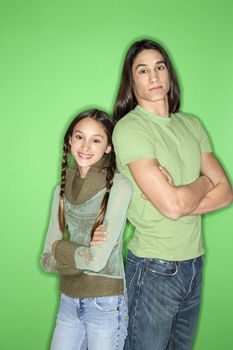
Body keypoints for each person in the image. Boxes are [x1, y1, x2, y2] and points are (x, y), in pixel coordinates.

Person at [111, 39, 233, 350]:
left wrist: (180, 197)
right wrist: (204, 183)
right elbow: (174, 204)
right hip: (154, 268)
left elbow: (226, 193)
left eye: (159, 67)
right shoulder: (130, 129)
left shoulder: (191, 125)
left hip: (193, 264)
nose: (153, 76)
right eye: (143, 70)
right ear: (132, 80)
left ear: (169, 74)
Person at [41, 109, 132, 350]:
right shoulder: (60, 191)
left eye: (96, 139)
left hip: (105, 302)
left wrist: (60, 247)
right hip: (68, 300)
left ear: (108, 147)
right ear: (70, 139)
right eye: (79, 137)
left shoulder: (119, 186)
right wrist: (81, 250)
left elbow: (97, 261)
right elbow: (46, 260)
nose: (86, 146)